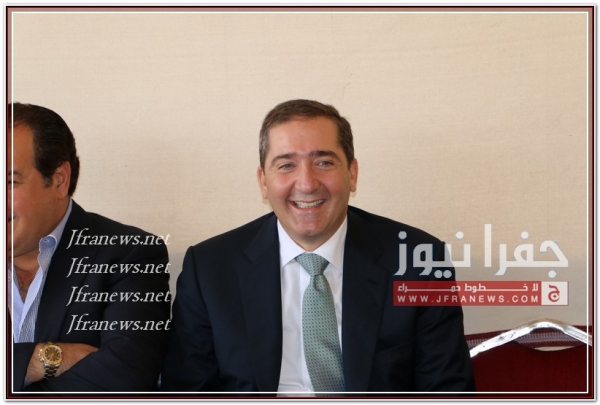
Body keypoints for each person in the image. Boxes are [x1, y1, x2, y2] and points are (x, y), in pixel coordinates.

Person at [161, 99, 475, 395]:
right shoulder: (209, 270)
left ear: (352, 173)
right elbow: (188, 392)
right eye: (286, 165)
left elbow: (447, 391)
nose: (307, 184)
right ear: (264, 182)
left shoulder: (419, 261)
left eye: (324, 162)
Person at [8, 103, 171, 392]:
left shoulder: (130, 254)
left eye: (10, 181)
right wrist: (40, 360)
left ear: (59, 180)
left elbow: (126, 378)